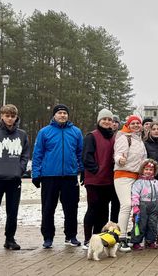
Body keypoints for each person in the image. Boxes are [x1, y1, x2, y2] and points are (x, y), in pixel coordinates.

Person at [32, 104, 83, 249]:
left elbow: (80, 153)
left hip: (70, 176)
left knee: (71, 208)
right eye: (60, 113)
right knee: (48, 208)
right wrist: (36, 174)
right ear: (54, 115)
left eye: (65, 113)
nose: (62, 115)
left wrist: (82, 170)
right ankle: (48, 237)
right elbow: (38, 154)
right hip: (49, 176)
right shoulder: (44, 132)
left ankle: (71, 235)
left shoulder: (76, 132)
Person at [0, 104, 30, 253]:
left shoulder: (22, 135)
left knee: (12, 211)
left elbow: (25, 156)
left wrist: (19, 169)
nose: (10, 119)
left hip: (14, 180)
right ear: (2, 116)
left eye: (12, 116)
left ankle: (10, 239)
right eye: (7, 116)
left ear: (16, 117)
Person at [82, 109, 119, 249]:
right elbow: (87, 157)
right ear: (99, 121)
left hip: (109, 181)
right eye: (104, 119)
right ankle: (87, 239)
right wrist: (96, 170)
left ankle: (98, 237)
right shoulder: (91, 136)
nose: (107, 122)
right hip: (94, 180)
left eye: (110, 120)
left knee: (104, 211)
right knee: (93, 209)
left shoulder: (114, 138)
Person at [112, 114, 148, 252]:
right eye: (132, 123)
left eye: (138, 123)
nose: (136, 126)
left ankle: (134, 236)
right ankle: (120, 238)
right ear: (127, 125)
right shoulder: (123, 137)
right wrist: (119, 159)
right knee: (126, 205)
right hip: (123, 176)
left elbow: (143, 158)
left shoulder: (139, 140)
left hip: (136, 177)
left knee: (136, 206)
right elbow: (118, 153)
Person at [130, 159, 158, 250]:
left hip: (154, 205)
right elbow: (135, 195)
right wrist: (135, 206)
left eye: (151, 170)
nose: (148, 172)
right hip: (142, 205)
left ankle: (150, 241)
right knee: (141, 224)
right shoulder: (139, 183)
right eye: (146, 169)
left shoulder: (156, 182)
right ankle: (136, 242)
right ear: (142, 170)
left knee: (152, 224)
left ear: (154, 171)